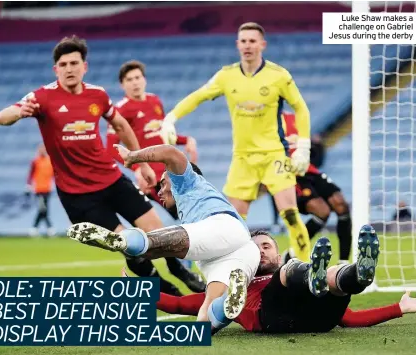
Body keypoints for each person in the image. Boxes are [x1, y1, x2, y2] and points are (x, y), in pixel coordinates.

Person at [0, 35, 184, 296]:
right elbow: (1, 117)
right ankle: (162, 286)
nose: (69, 69)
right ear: (56, 69)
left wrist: (140, 162)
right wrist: (17, 112)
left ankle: (180, 271)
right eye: (63, 64)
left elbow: (120, 125)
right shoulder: (42, 96)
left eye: (74, 63)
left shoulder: (98, 95)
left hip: (112, 179)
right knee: (127, 242)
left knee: (159, 231)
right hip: (78, 194)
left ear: (85, 66)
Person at [160, 22, 312, 262]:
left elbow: (301, 108)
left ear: (262, 44)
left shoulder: (278, 76)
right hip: (242, 159)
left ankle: (306, 268)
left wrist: (303, 147)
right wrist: (171, 118)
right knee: (234, 225)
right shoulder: (226, 76)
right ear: (237, 45)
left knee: (291, 214)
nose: (247, 46)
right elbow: (197, 96)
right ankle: (238, 270)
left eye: (252, 41)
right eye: (243, 41)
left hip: (274, 155)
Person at [67, 143, 261, 330]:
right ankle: (227, 305)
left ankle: (121, 240)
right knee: (205, 318)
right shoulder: (195, 202)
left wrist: (133, 157)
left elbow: (170, 152)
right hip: (240, 251)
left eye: (163, 183)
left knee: (156, 242)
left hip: (222, 230)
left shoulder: (187, 182)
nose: (159, 191)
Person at [156, 227, 388, 334]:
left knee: (332, 276)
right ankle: (333, 276)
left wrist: (400, 308)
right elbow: (177, 304)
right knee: (295, 272)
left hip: (318, 320)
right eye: (255, 249)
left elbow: (350, 318)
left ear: (276, 255)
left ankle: (360, 274)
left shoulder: (286, 271)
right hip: (272, 318)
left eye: (266, 246)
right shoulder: (234, 286)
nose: (261, 252)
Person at [107, 60, 202, 279]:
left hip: (171, 174)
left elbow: (160, 136)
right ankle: (184, 262)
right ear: (123, 85)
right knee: (186, 215)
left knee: (192, 216)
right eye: (129, 80)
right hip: (152, 179)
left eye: (137, 78)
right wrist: (139, 168)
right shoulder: (121, 110)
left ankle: (186, 258)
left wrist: (186, 140)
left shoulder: (154, 101)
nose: (134, 83)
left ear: (144, 79)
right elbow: (112, 147)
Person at [281, 112, 352, 264]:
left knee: (341, 205)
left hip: (308, 169)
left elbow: (306, 143)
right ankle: (293, 252)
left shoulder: (293, 117)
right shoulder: (265, 120)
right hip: (288, 172)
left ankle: (343, 263)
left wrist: (314, 143)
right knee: (322, 211)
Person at [26, 143, 55, 237]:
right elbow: (31, 174)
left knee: (44, 209)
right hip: (38, 189)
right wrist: (28, 185)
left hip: (47, 189)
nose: (42, 151)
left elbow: (54, 174)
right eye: (40, 149)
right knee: (42, 209)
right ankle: (48, 228)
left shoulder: (50, 161)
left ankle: (36, 228)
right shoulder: (35, 161)